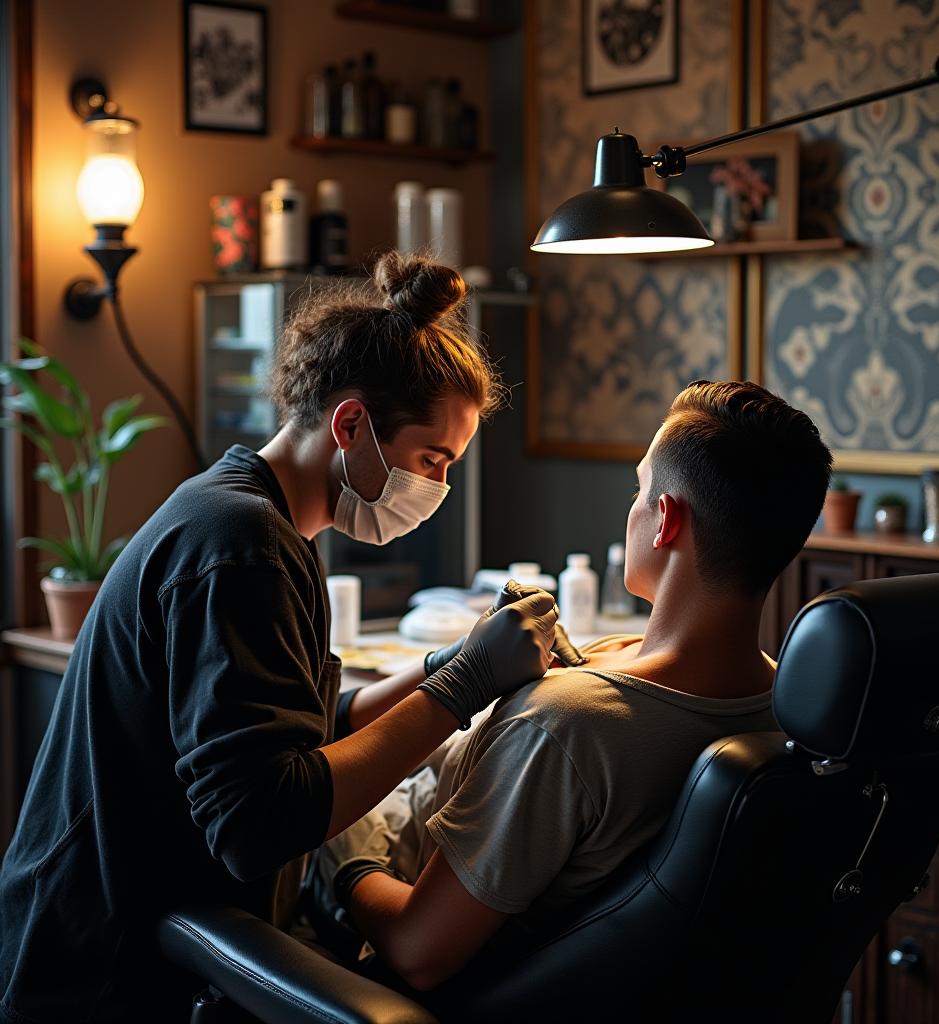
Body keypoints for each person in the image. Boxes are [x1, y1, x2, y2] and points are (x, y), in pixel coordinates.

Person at [0, 253, 562, 1024]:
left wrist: (450, 664)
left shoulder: (257, 522)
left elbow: (297, 730)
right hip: (107, 970)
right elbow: (262, 820)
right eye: (434, 461)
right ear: (352, 423)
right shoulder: (240, 546)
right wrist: (458, 691)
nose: (437, 489)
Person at [311, 379, 834, 992]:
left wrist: (350, 861)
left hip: (378, 937)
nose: (633, 509)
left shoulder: (562, 726)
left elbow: (420, 951)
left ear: (665, 520)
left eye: (639, 492)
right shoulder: (783, 711)